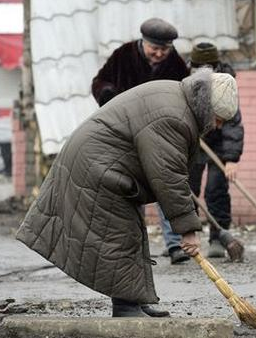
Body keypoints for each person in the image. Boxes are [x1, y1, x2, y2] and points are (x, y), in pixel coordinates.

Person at [16, 69, 239, 317]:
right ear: (207, 106)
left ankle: (135, 302)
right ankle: (126, 308)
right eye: (218, 119)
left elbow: (169, 173)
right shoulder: (174, 116)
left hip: (102, 163)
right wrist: (188, 230)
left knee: (130, 231)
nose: (217, 126)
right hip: (97, 167)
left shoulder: (177, 98)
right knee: (119, 234)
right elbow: (168, 176)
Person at [91, 17, 190, 265]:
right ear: (142, 42)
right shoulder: (123, 55)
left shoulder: (175, 64)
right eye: (153, 48)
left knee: (165, 184)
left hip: (159, 135)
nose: (158, 54)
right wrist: (107, 95)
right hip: (126, 134)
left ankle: (175, 244)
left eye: (163, 50)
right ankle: (137, 248)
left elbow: (185, 94)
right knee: (132, 189)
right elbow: (99, 82)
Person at [187, 42, 244, 258]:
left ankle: (218, 239)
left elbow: (233, 121)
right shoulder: (185, 80)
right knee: (187, 191)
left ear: (216, 65)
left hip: (219, 145)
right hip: (193, 143)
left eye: (208, 66)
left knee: (215, 191)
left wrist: (231, 158)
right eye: (199, 66)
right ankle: (184, 237)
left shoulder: (226, 83)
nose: (204, 71)